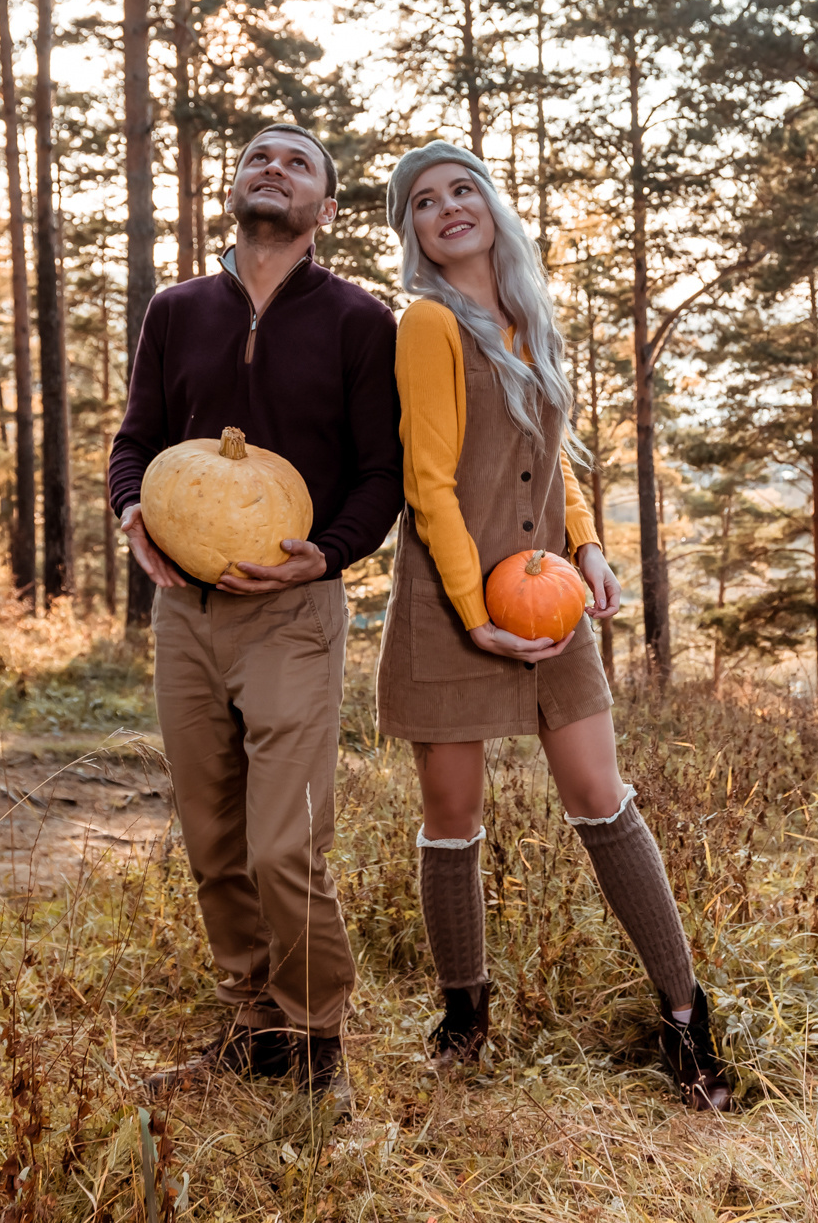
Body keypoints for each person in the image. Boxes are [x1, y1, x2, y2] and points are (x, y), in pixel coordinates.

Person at [378, 138, 734, 1112]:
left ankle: (685, 1018)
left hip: (548, 590)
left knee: (600, 794)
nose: (448, 207)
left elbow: (556, 460)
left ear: (492, 204)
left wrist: (588, 547)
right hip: (453, 602)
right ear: (410, 230)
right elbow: (430, 485)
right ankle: (465, 1017)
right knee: (451, 817)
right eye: (423, 201)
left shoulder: (528, 318)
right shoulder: (426, 323)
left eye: (464, 189)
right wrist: (472, 615)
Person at [108, 123, 401, 1110]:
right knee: (212, 838)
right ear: (233, 188)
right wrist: (131, 515)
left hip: (294, 611)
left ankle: (319, 1045)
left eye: (297, 162)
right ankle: (252, 1026)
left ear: (325, 209)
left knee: (286, 844)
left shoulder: (360, 320)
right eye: (257, 156)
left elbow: (381, 473)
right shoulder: (176, 308)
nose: (271, 167)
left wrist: (335, 550)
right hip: (183, 611)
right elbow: (134, 439)